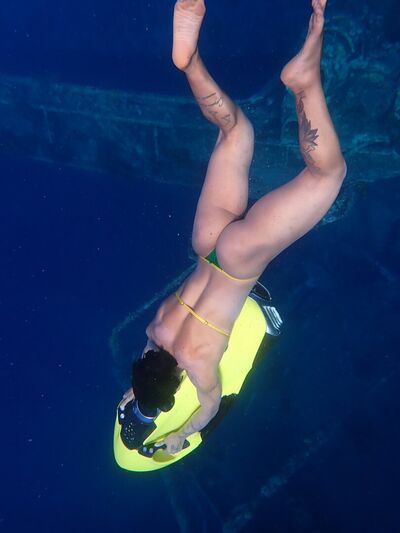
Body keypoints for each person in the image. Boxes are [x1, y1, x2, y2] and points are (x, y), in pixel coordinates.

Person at [118, 0, 346, 455]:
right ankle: (190, 62)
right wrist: (132, 407)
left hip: (239, 261)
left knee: (327, 176)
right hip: (206, 242)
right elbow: (138, 384)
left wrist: (179, 437)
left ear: (174, 385)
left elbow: (208, 409)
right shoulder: (154, 331)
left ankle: (304, 80)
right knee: (235, 132)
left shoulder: (199, 366)